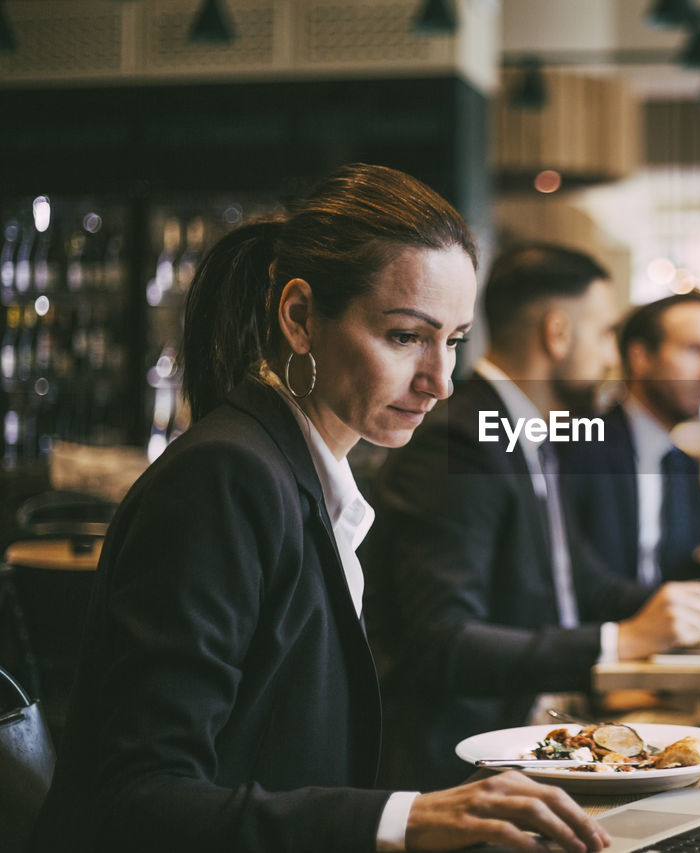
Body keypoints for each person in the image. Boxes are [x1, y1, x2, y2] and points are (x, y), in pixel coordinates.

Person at [30, 166, 608, 853]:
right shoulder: (228, 476)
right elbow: (138, 800)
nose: (439, 380)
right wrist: (406, 818)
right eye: (404, 336)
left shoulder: (296, 470)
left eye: (452, 340)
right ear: (300, 317)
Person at [362, 245, 700, 793]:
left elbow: (584, 584)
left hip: (549, 736)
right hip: (473, 768)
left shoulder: (533, 431)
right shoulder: (457, 441)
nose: (614, 356)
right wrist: (617, 642)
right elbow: (445, 643)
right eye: (606, 333)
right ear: (557, 334)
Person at [559, 292, 700, 586]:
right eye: (694, 350)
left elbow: (681, 570)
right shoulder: (581, 446)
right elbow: (582, 585)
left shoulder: (682, 464)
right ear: (640, 357)